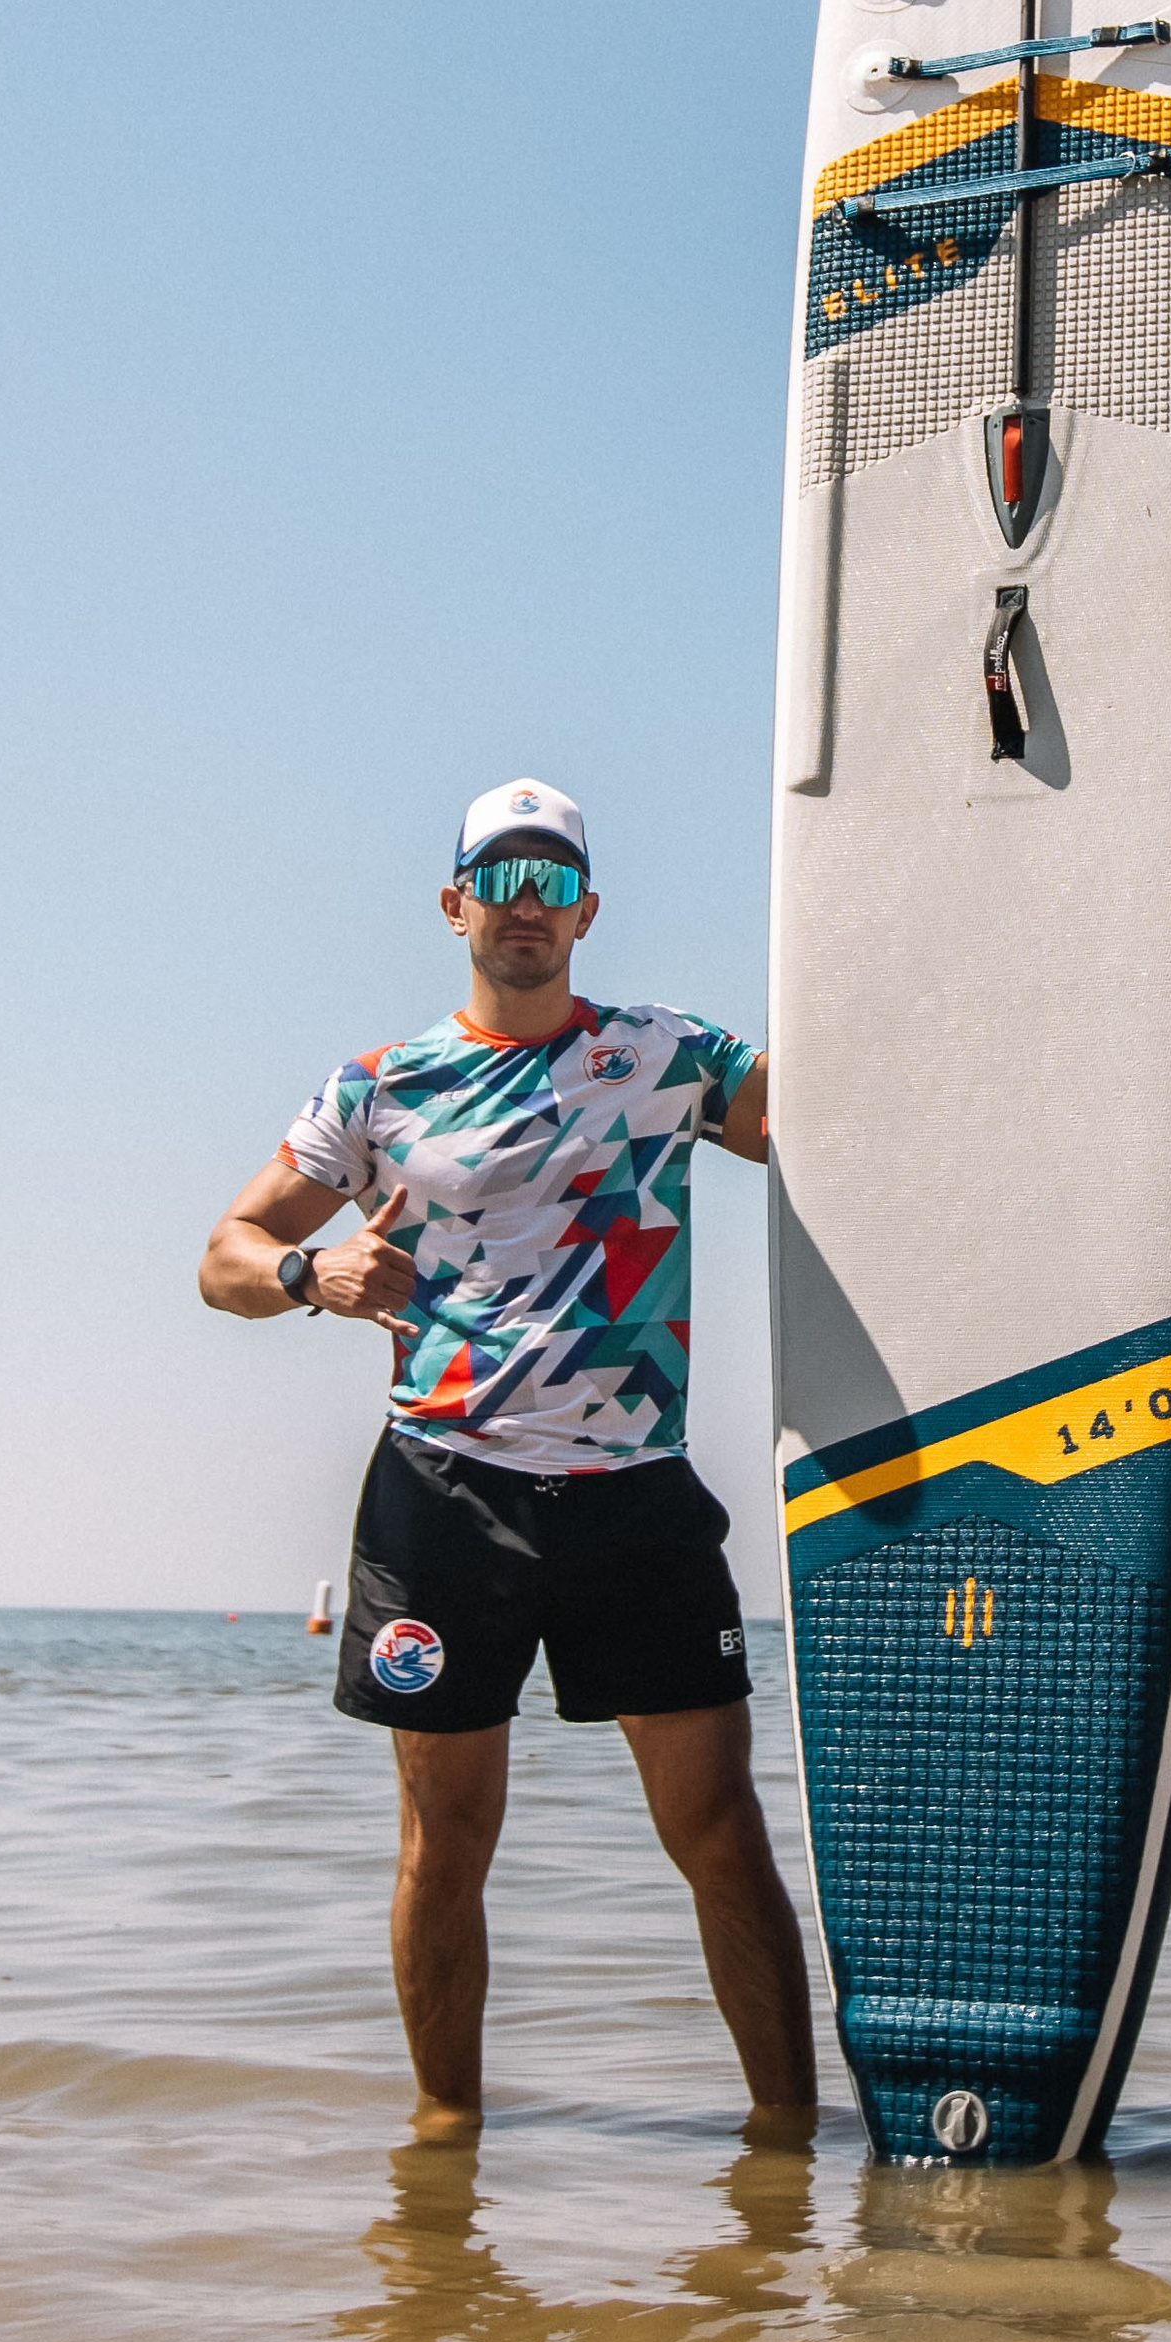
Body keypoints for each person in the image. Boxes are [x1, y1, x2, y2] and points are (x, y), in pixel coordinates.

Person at [199, 776, 817, 2143]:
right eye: (503, 878)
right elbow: (223, 1258)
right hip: (444, 1499)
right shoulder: (377, 1089)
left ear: (588, 910)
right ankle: (443, 2157)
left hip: (635, 1496)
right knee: (444, 1846)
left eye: (553, 883)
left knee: (719, 1830)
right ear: (455, 901)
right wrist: (314, 1270)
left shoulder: (674, 1058)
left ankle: (789, 2149)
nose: (526, 906)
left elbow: (859, 1139)